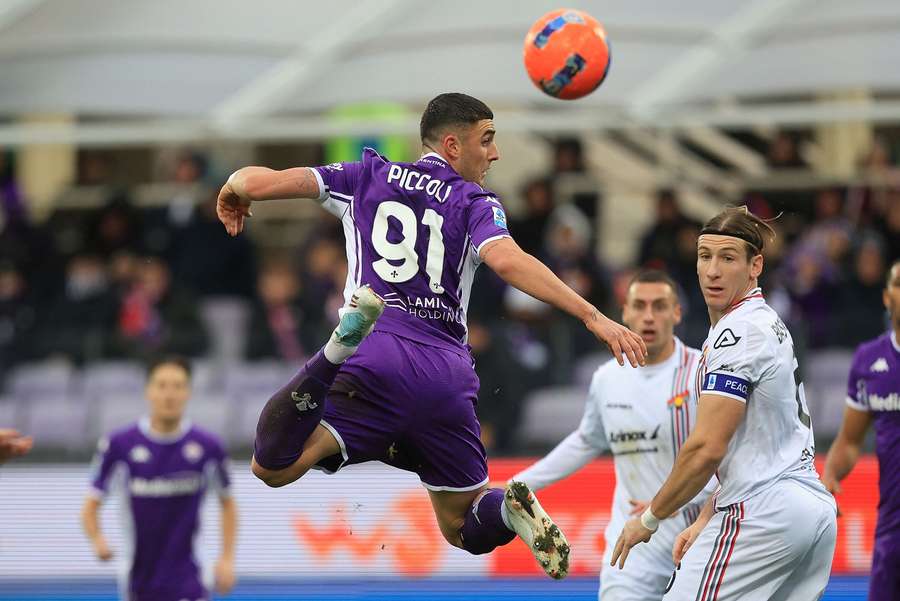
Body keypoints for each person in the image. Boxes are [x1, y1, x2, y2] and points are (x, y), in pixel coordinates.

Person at [215, 92, 646, 579]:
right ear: (452, 145)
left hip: (372, 352)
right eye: (487, 140)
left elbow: (256, 180)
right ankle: (506, 510)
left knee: (274, 466)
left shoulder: (364, 176)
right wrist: (592, 316)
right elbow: (506, 260)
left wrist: (234, 188)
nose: (495, 154)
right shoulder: (475, 202)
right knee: (462, 525)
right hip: (445, 372)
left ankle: (336, 349)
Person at [611, 206, 837, 600]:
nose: (713, 270)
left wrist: (649, 519)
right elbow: (755, 447)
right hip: (810, 509)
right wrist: (706, 514)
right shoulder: (763, 322)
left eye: (728, 258)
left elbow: (707, 449)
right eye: (705, 256)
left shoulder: (737, 335)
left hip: (763, 514)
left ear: (756, 266)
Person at [513, 269, 714, 600]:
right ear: (625, 312)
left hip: (698, 541)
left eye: (660, 306)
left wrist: (673, 499)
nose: (649, 316)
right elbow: (586, 440)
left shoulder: (701, 373)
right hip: (631, 548)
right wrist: (519, 484)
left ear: (677, 313)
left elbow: (726, 457)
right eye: (640, 305)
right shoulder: (607, 377)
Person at [81, 357, 237, 601]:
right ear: (148, 391)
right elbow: (90, 506)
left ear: (188, 392)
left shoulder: (208, 447)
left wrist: (226, 558)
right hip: (138, 580)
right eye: (161, 385)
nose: (169, 394)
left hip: (190, 579)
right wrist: (97, 539)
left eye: (178, 386)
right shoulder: (119, 445)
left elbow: (228, 502)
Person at [823, 258, 900, 601]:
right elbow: (851, 440)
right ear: (886, 297)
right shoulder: (869, 360)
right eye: (899, 283)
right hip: (892, 525)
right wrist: (830, 479)